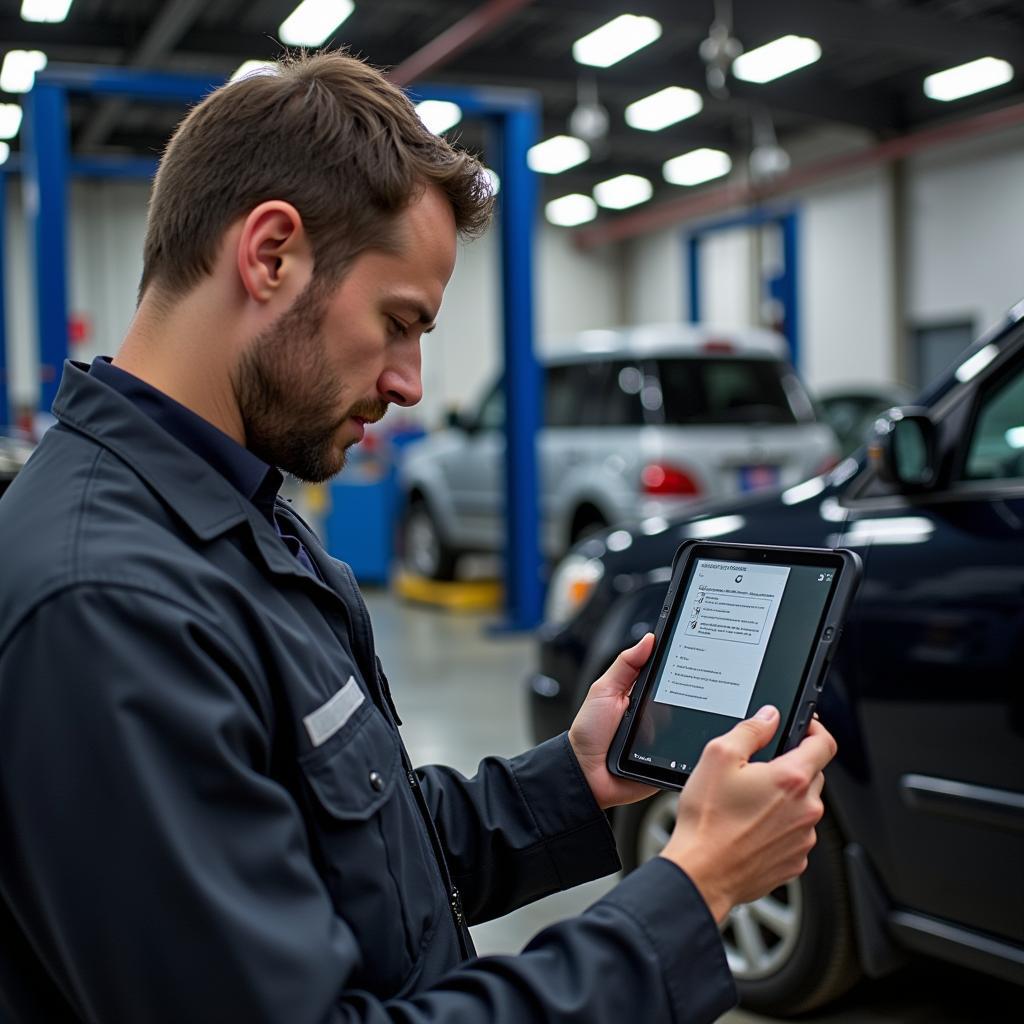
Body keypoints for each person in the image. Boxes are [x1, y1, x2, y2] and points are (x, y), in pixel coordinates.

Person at [0, 51, 835, 1024]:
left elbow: (347, 847)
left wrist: (570, 779)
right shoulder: (108, 605)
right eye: (400, 322)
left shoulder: (233, 515)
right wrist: (685, 897)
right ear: (270, 254)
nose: (410, 383)